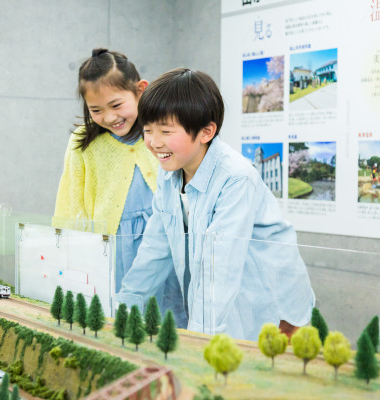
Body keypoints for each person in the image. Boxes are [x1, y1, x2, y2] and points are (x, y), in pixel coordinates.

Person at [116, 68, 315, 340]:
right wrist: (121, 315)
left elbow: (219, 270)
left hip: (274, 309)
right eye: (147, 130)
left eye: (165, 130)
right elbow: (154, 249)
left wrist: (198, 342)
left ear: (206, 131)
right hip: (228, 300)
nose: (153, 142)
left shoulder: (236, 178)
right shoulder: (170, 170)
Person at [53, 49, 184, 320]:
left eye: (116, 105)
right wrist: (66, 249)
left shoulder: (161, 133)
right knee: (123, 318)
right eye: (96, 110)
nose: (109, 117)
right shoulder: (83, 142)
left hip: (165, 241)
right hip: (114, 247)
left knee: (169, 318)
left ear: (140, 90)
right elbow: (70, 198)